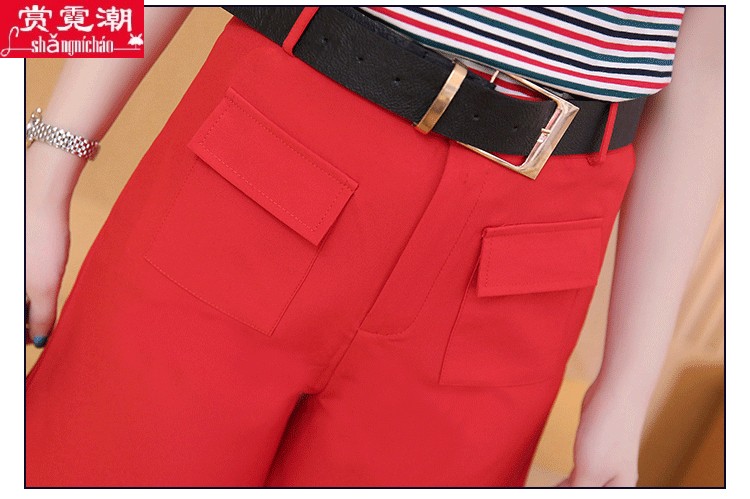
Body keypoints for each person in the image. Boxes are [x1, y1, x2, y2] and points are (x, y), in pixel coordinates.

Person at [25, 6, 723, 487]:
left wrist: (627, 390)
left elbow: (711, 71)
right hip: (273, 145)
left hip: (527, 254)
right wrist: (44, 174)